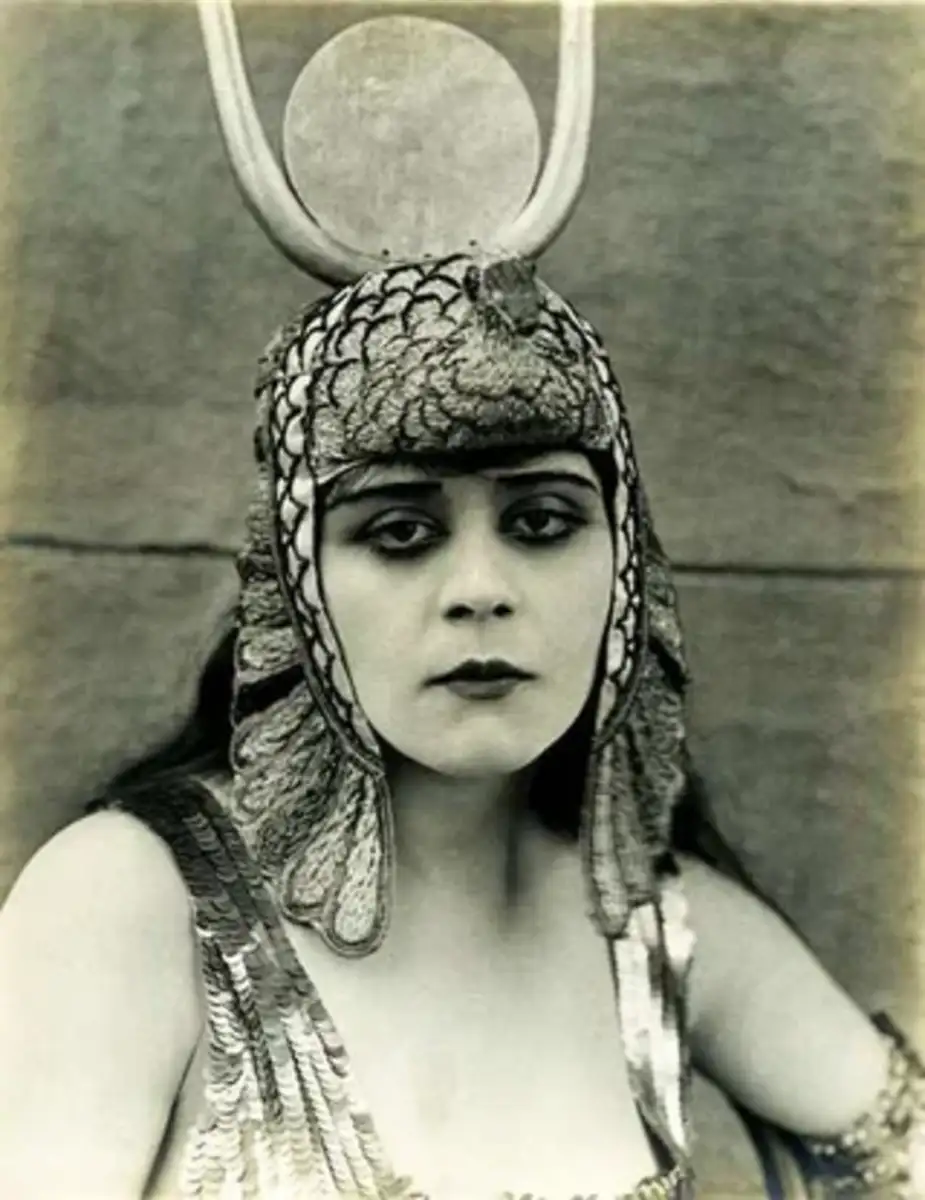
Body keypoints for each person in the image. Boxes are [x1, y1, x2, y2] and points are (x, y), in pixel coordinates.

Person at [0, 251, 922, 1200]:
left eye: (541, 523)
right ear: (297, 587)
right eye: (400, 532)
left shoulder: (649, 926)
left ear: (624, 568)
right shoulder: (126, 907)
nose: (480, 592)